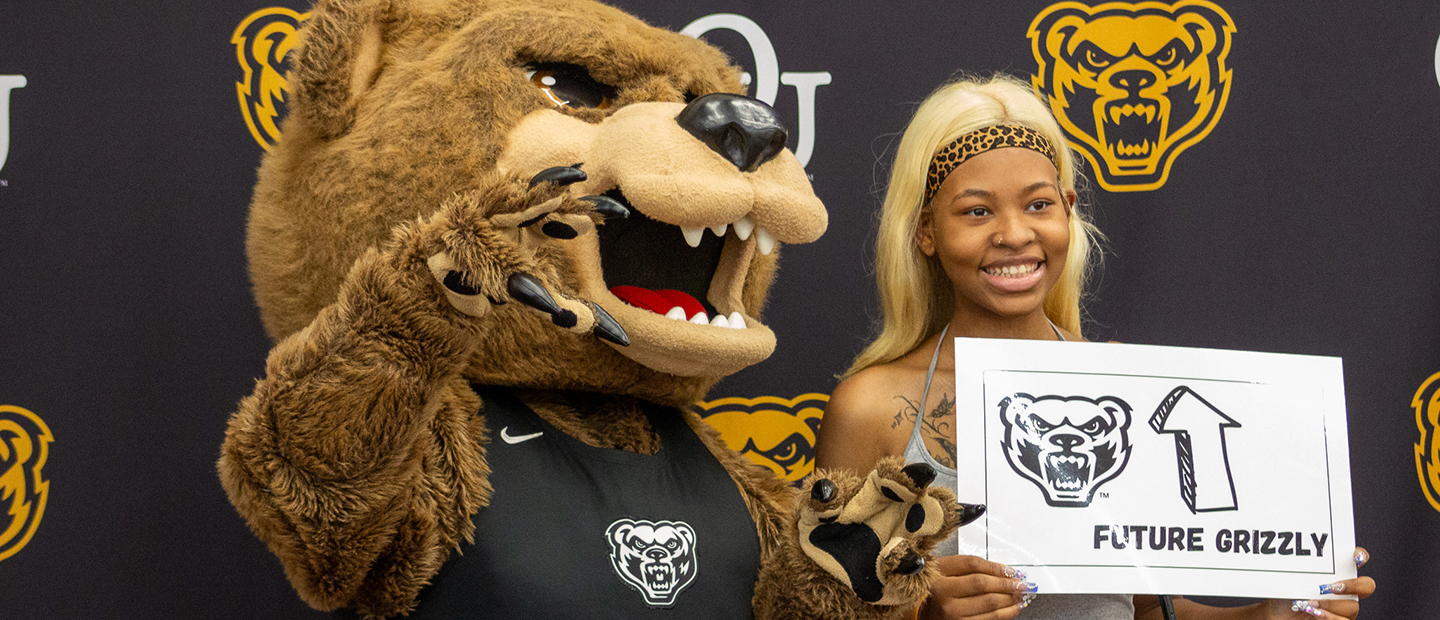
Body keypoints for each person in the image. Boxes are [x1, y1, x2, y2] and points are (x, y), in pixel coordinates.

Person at [814, 74, 1375, 620]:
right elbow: (821, 607)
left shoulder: (1117, 383)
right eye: (977, 211)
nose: (1014, 233)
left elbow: (1145, 609)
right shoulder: (870, 408)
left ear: (1068, 209)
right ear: (926, 231)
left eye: (1038, 204)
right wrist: (925, 612)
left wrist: (1263, 614)